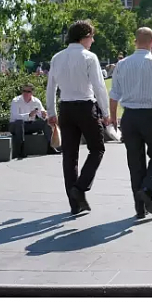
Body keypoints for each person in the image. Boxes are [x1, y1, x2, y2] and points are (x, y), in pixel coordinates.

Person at [109, 28, 152, 219]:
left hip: (129, 117)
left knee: (135, 162)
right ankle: (148, 188)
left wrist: (114, 117)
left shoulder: (121, 64)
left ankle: (140, 208)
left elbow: (114, 94)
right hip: (149, 115)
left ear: (135, 41)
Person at [46, 20, 111, 215]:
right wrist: (106, 113)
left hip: (65, 108)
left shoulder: (57, 58)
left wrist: (51, 112)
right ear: (83, 36)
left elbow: (51, 87)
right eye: (91, 36)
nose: (92, 40)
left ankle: (74, 203)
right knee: (97, 148)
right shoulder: (89, 57)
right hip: (85, 106)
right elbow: (99, 87)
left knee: (70, 155)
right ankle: (80, 187)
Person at [9, 83, 56, 159]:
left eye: (28, 91)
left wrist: (44, 115)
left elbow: (42, 114)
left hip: (29, 125)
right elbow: (15, 116)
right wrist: (29, 115)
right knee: (19, 122)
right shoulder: (16, 101)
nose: (25, 93)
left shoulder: (36, 101)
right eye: (24, 91)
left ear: (32, 93)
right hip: (15, 126)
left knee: (46, 121)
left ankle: (50, 147)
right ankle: (21, 150)